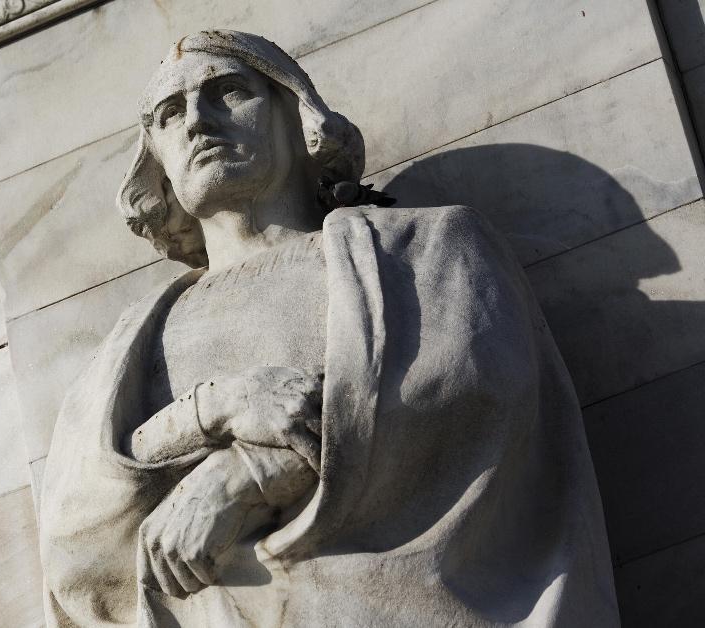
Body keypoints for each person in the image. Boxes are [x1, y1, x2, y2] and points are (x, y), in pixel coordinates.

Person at [39, 30, 619, 626]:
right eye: (169, 113)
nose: (197, 122)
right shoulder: (132, 342)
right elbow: (76, 526)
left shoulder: (425, 247)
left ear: (298, 115)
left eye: (228, 92)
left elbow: (473, 388)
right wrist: (216, 407)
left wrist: (248, 474)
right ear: (155, 163)